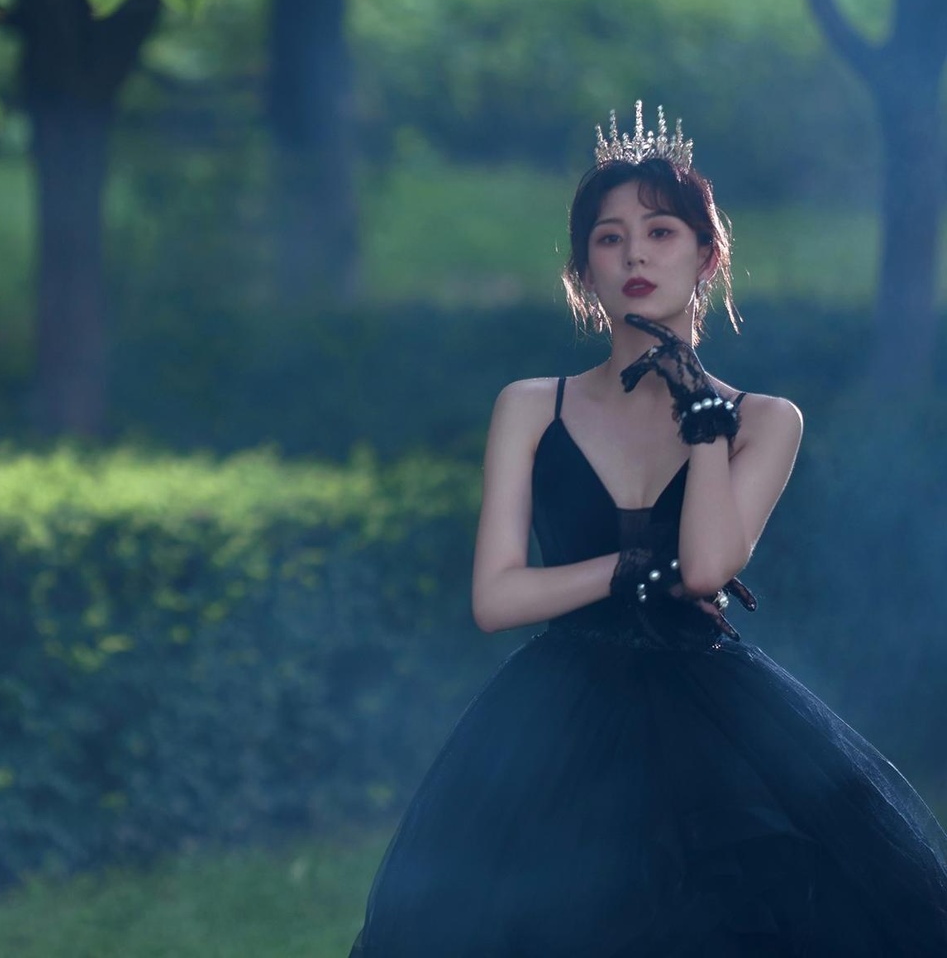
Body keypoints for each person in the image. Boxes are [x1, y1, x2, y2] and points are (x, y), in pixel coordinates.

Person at [348, 103, 947, 956]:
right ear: (581, 269)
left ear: (706, 256)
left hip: (712, 715)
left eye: (660, 232)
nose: (633, 254)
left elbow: (704, 566)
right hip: (553, 711)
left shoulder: (765, 419)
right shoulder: (530, 406)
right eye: (609, 238)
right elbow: (496, 597)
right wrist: (632, 566)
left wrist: (702, 418)